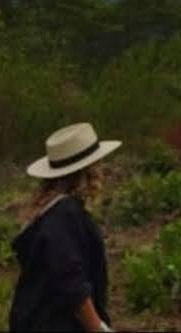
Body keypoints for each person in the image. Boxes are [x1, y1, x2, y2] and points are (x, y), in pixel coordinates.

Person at [9, 123, 121, 333]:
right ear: (88, 171)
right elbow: (70, 281)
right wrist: (97, 327)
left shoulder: (51, 213)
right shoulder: (64, 215)